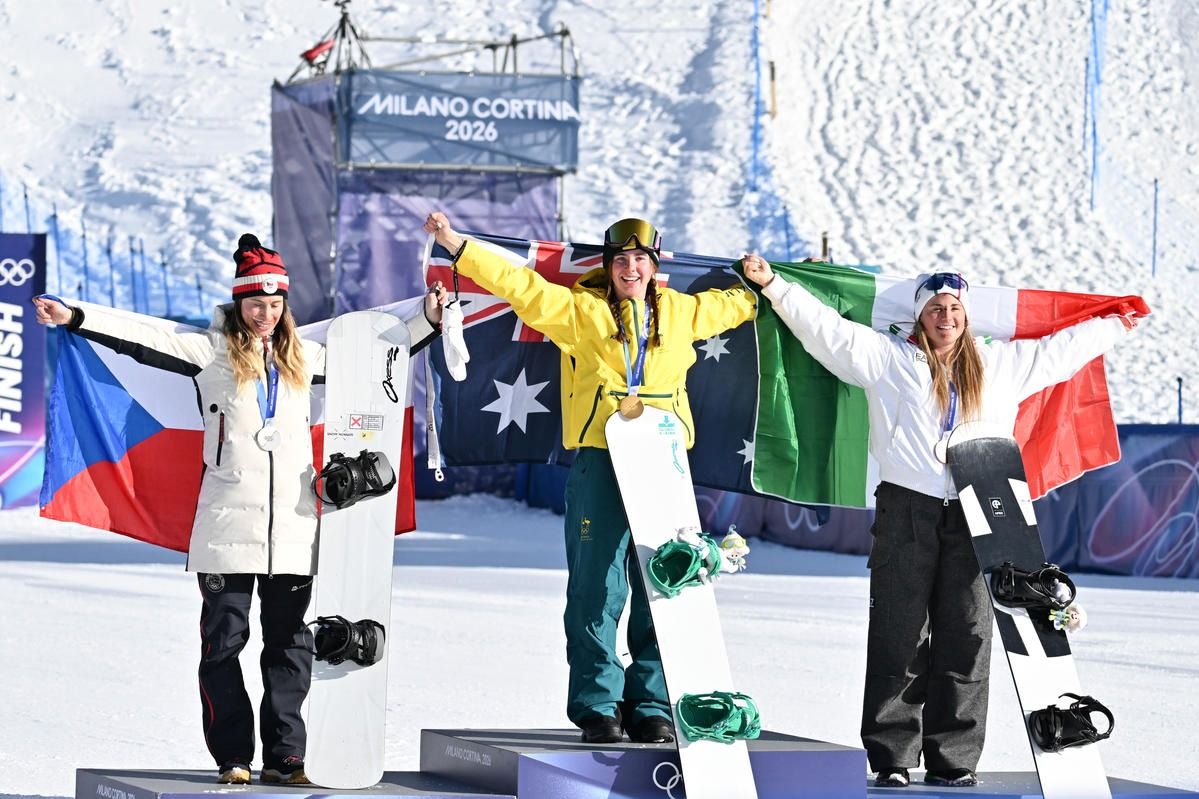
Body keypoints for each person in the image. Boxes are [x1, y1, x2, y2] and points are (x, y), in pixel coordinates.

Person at [33, 234, 446, 785]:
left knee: (290, 646)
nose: (265, 315)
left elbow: (375, 355)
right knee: (223, 646)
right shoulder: (210, 353)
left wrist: (428, 320)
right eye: (256, 304)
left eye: (274, 305)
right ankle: (233, 757)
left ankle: (287, 757)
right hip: (225, 529)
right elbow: (146, 335)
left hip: (294, 530)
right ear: (238, 302)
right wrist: (76, 316)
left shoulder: (306, 357)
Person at [740, 256, 1144, 788]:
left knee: (969, 634)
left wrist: (1115, 322)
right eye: (935, 308)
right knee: (899, 630)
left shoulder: (1000, 364)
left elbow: (1060, 352)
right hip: (908, 507)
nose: (945, 317)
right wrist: (774, 285)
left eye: (953, 308)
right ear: (919, 316)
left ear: (966, 315)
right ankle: (892, 757)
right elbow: (827, 332)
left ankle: (954, 758)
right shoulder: (888, 358)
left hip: (982, 511)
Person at [422, 211, 757, 744]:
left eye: (640, 259)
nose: (631, 269)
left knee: (663, 583)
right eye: (621, 260)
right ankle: (599, 703)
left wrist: (782, 280)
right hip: (602, 459)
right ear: (608, 266)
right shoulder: (582, 312)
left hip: (665, 465)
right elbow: (520, 285)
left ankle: (652, 703)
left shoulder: (683, 311)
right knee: (596, 587)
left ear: (655, 267)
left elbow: (741, 302)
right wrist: (457, 244)